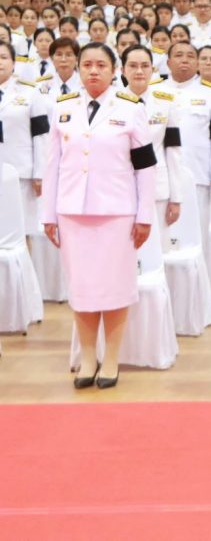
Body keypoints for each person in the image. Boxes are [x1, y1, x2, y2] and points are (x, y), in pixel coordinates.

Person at [42, 42, 156, 389]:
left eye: (101, 65)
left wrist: (144, 215)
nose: (93, 71)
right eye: (87, 65)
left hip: (117, 213)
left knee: (115, 286)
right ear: (78, 69)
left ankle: (112, 359)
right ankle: (88, 358)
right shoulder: (62, 107)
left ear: (114, 70)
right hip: (72, 212)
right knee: (83, 288)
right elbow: (52, 165)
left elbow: (146, 167)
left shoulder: (130, 108)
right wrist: (48, 214)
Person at [162, 41, 211, 262]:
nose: (185, 60)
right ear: (168, 62)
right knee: (164, 237)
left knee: (197, 236)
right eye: (179, 55)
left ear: (198, 63)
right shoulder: (155, 92)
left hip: (197, 173)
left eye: (191, 56)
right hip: (162, 176)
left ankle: (200, 282)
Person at [122, 45, 184, 251]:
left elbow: (173, 151)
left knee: (157, 251)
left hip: (158, 187)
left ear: (153, 69)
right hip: (121, 187)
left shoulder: (166, 102)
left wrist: (176, 198)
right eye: (133, 66)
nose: (139, 71)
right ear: (122, 70)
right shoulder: (112, 103)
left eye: (145, 66)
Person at [0, 42, 50, 234]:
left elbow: (41, 135)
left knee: (20, 231)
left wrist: (40, 173)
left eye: (4, 57)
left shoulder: (30, 92)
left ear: (14, 63)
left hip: (20, 172)